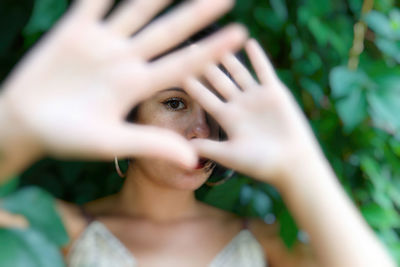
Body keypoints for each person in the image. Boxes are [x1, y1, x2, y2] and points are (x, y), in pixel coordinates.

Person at [0, 0, 395, 266]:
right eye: (175, 103)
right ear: (126, 113)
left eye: (217, 110)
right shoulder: (62, 228)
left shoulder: (267, 243)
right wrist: (11, 126)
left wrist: (300, 165)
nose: (202, 130)